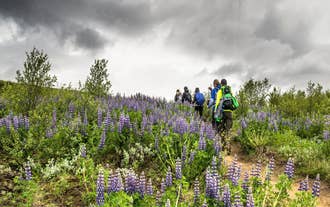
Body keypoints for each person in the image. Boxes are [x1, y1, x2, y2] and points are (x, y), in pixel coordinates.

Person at [214, 78, 234, 154]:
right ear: (226, 83)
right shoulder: (229, 90)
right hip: (229, 112)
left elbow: (217, 102)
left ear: (221, 84)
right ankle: (229, 149)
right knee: (228, 130)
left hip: (222, 113)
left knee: (222, 129)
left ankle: (222, 148)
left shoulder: (220, 91)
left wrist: (216, 110)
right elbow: (232, 100)